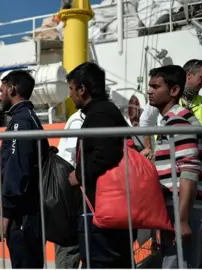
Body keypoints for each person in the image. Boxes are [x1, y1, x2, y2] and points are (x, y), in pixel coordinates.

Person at [66, 62, 135, 268]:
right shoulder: (105, 111)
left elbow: (106, 153)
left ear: (82, 89)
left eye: (71, 88)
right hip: (109, 212)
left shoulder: (99, 114)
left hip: (103, 215)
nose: (70, 95)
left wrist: (78, 175)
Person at [147, 65, 202, 268]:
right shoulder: (173, 121)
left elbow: (189, 170)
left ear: (174, 91)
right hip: (185, 210)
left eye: (155, 86)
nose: (149, 91)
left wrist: (182, 218)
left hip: (187, 210)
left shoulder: (178, 121)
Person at [0, 70, 49, 268]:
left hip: (24, 216)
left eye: (2, 90)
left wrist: (5, 214)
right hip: (26, 214)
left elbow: (18, 171)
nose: (0, 95)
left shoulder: (21, 122)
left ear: (12, 89)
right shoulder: (25, 119)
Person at [139, 59, 202, 163]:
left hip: (198, 159)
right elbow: (145, 120)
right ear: (189, 75)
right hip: (169, 157)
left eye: (155, 87)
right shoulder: (163, 97)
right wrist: (148, 148)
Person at [55, 109, 84, 269]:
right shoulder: (76, 120)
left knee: (68, 249)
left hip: (73, 196)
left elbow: (72, 159)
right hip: (72, 193)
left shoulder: (78, 120)